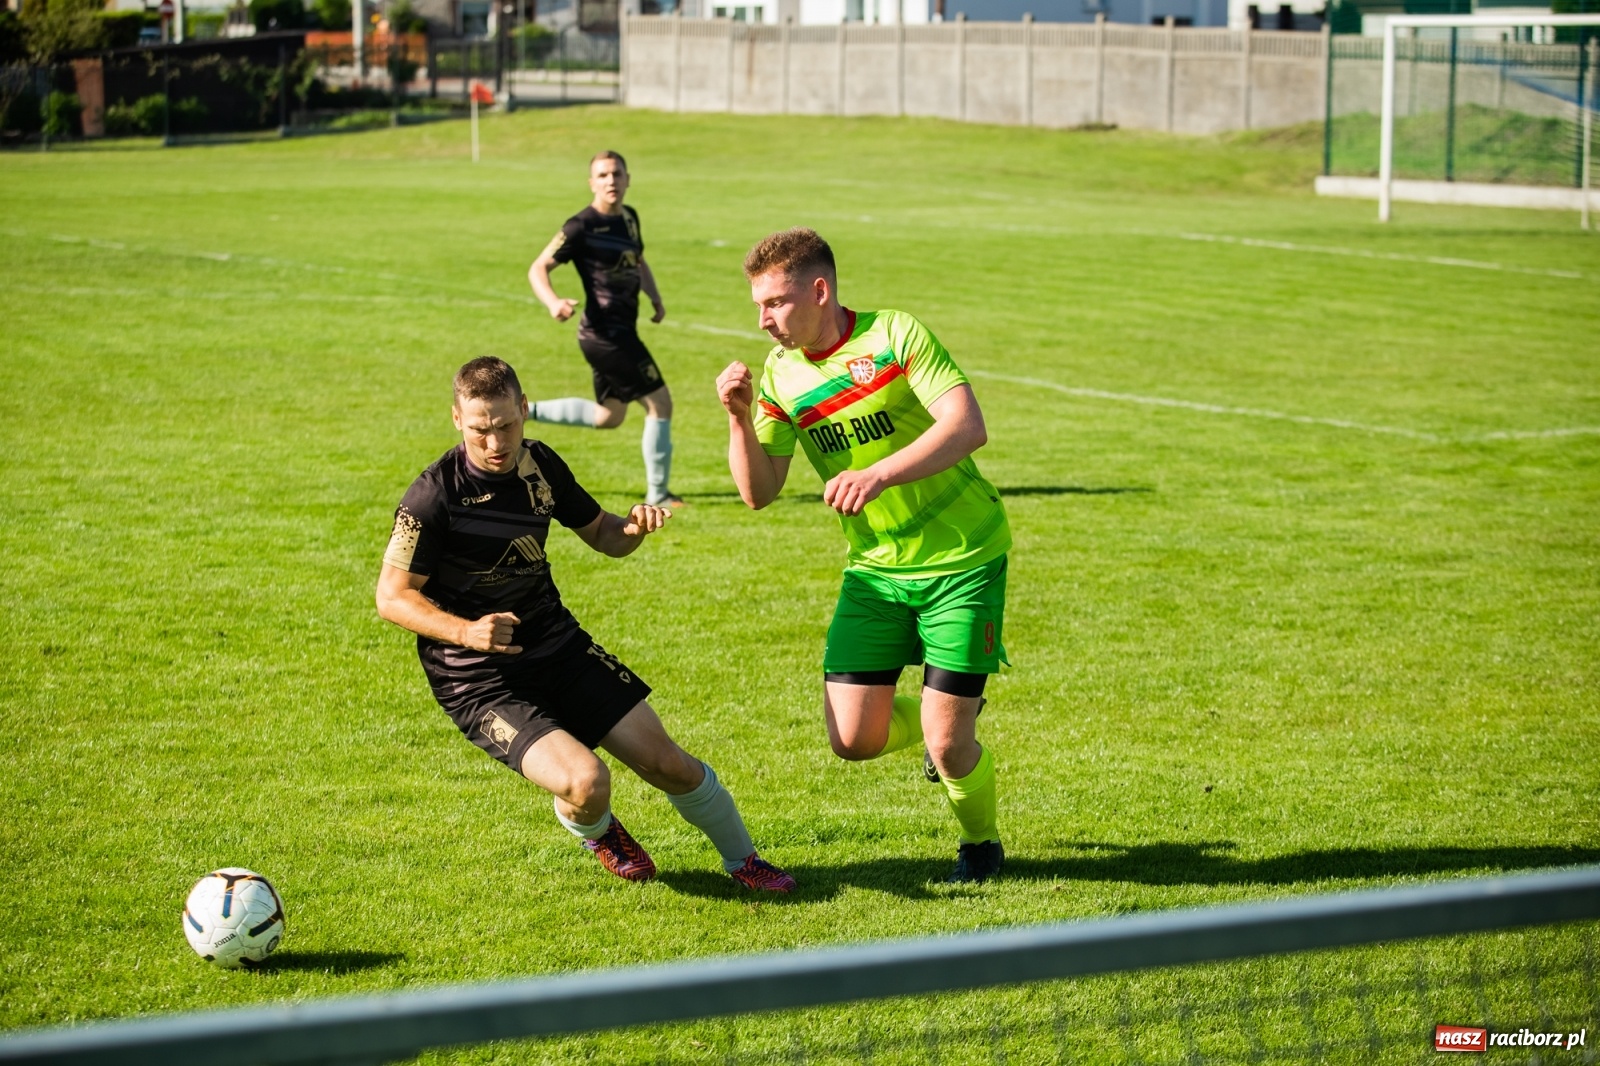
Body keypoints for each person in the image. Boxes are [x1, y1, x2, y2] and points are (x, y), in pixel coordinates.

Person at [377, 356, 794, 893]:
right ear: (458, 419)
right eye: (481, 429)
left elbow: (602, 534)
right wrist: (466, 631)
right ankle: (598, 830)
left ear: (525, 411)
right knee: (587, 782)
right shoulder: (432, 496)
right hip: (477, 677)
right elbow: (392, 597)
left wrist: (634, 527)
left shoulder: (541, 465)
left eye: (506, 425)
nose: (495, 442)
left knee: (671, 765)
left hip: (557, 646)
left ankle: (746, 863)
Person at [716, 228, 1011, 884]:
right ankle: (948, 718)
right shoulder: (780, 375)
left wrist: (878, 475)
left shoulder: (895, 335)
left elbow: (968, 426)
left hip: (962, 558)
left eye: (776, 303)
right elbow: (760, 493)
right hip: (876, 571)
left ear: (819, 291)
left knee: (948, 742)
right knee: (852, 741)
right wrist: (738, 418)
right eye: (758, 306)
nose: (764, 319)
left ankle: (981, 844)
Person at [525, 150, 681, 507]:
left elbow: (638, 261)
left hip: (620, 331)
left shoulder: (630, 218)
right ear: (592, 182)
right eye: (604, 175)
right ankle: (658, 495)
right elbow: (538, 268)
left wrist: (655, 298)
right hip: (605, 335)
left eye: (617, 174)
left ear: (627, 179)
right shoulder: (580, 226)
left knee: (609, 416)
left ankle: (526, 410)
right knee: (661, 403)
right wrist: (553, 302)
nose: (611, 181)